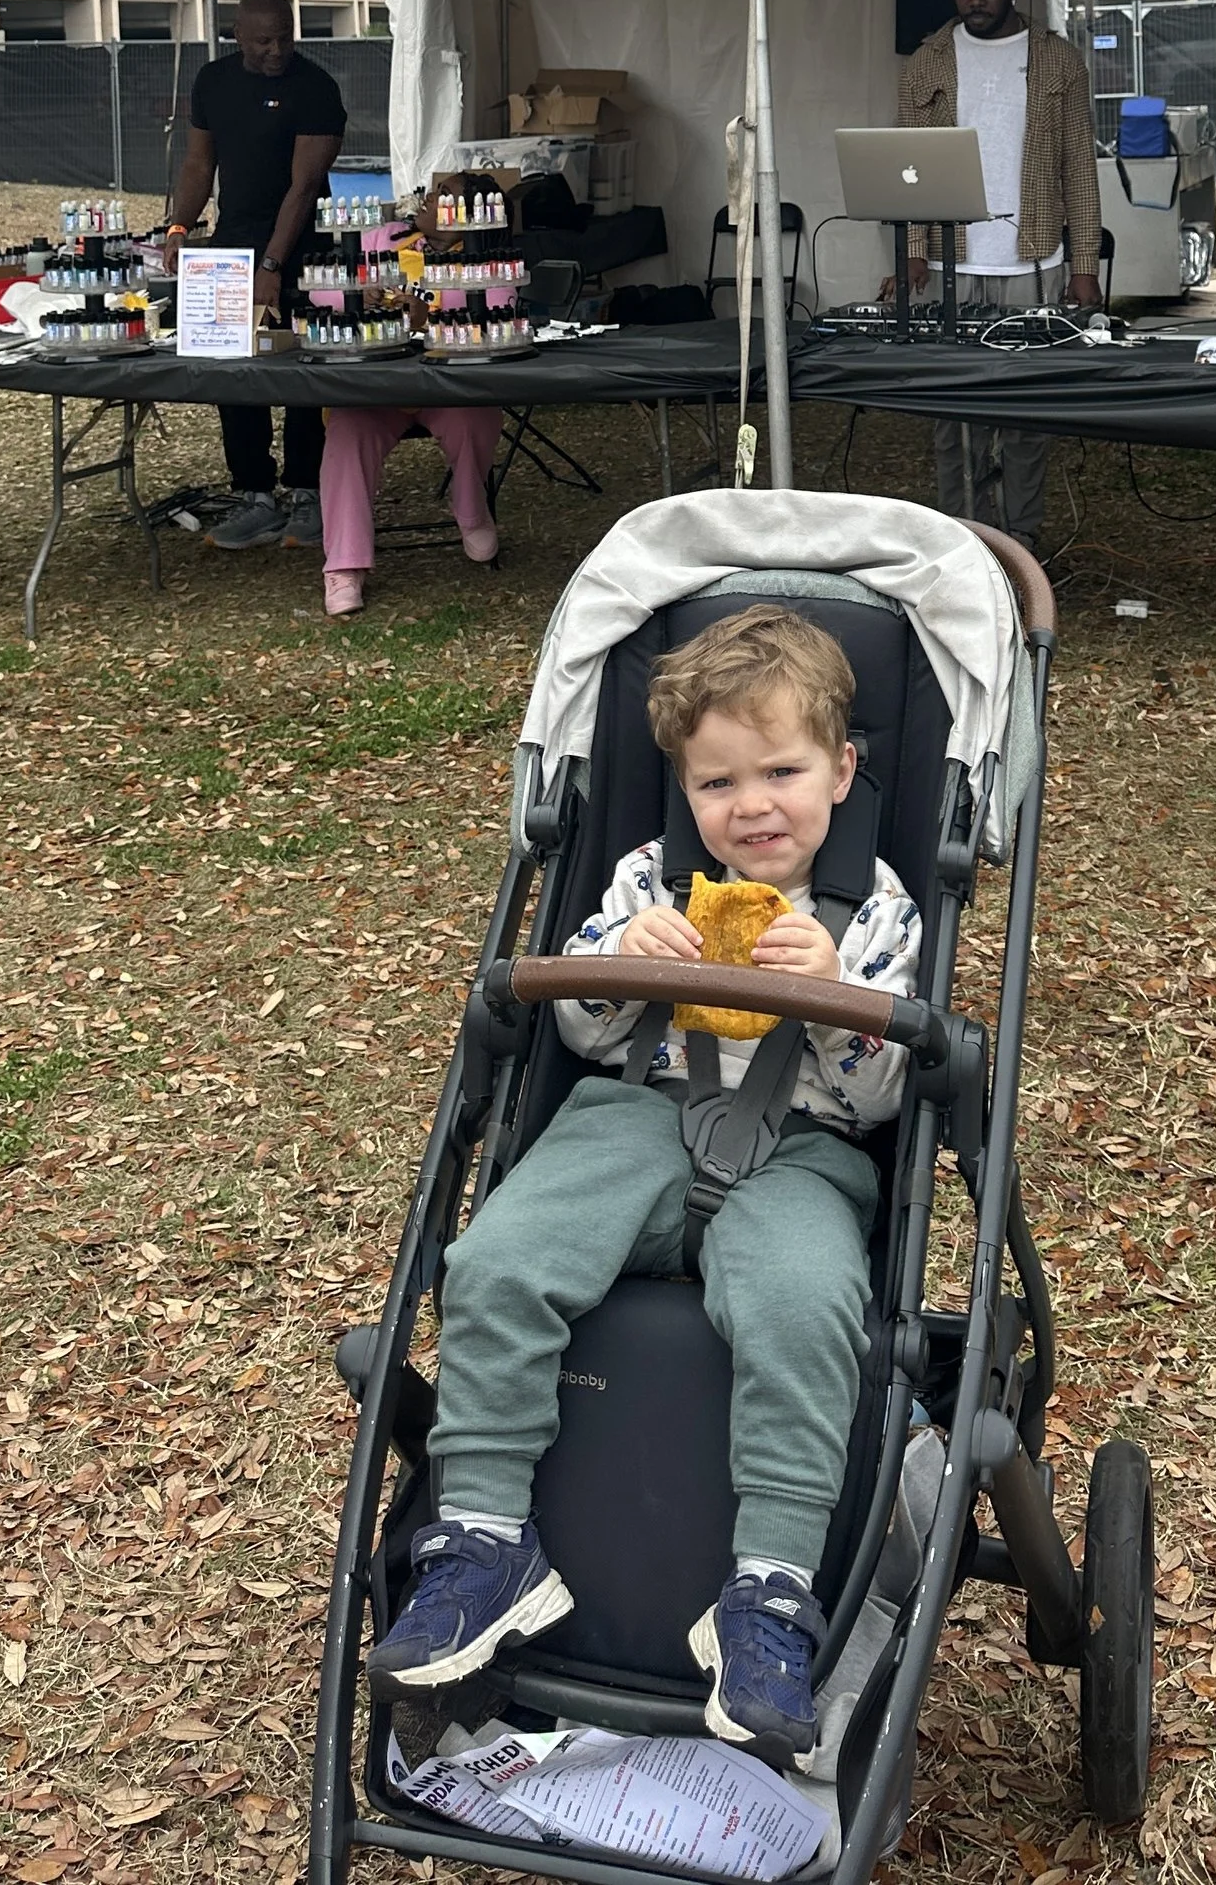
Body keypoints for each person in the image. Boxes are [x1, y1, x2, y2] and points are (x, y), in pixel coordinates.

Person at [367, 605, 921, 1759]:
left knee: (803, 1300)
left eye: (783, 771)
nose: (752, 805)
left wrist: (836, 999)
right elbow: (573, 1026)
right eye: (718, 783)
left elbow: (881, 1105)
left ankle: (768, 1590)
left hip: (803, 1152)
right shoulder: (646, 881)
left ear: (843, 769)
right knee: (497, 1259)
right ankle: (483, 1542)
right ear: (683, 788)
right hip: (635, 1116)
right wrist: (621, 967)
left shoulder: (873, 911)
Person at [893, 0, 1103, 543]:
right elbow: (906, 165)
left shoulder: (1057, 59)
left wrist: (1085, 262)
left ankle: (1022, 542)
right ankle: (965, 541)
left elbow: (1079, 169)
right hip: (950, 261)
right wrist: (910, 250)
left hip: (1034, 258)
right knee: (952, 411)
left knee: (1025, 412)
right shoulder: (926, 60)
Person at [164, 0, 345, 551]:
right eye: (264, 40)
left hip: (300, 250)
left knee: (297, 372)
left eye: (285, 37)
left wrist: (272, 262)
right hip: (232, 247)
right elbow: (199, 162)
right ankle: (253, 494)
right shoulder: (213, 82)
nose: (276, 50)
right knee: (234, 369)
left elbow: (305, 185)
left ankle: (308, 491)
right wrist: (178, 227)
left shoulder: (315, 88)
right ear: (236, 35)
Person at [317, 399, 503, 617]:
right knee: (348, 428)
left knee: (475, 417)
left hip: (448, 387)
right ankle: (344, 559)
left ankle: (472, 511)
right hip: (368, 392)